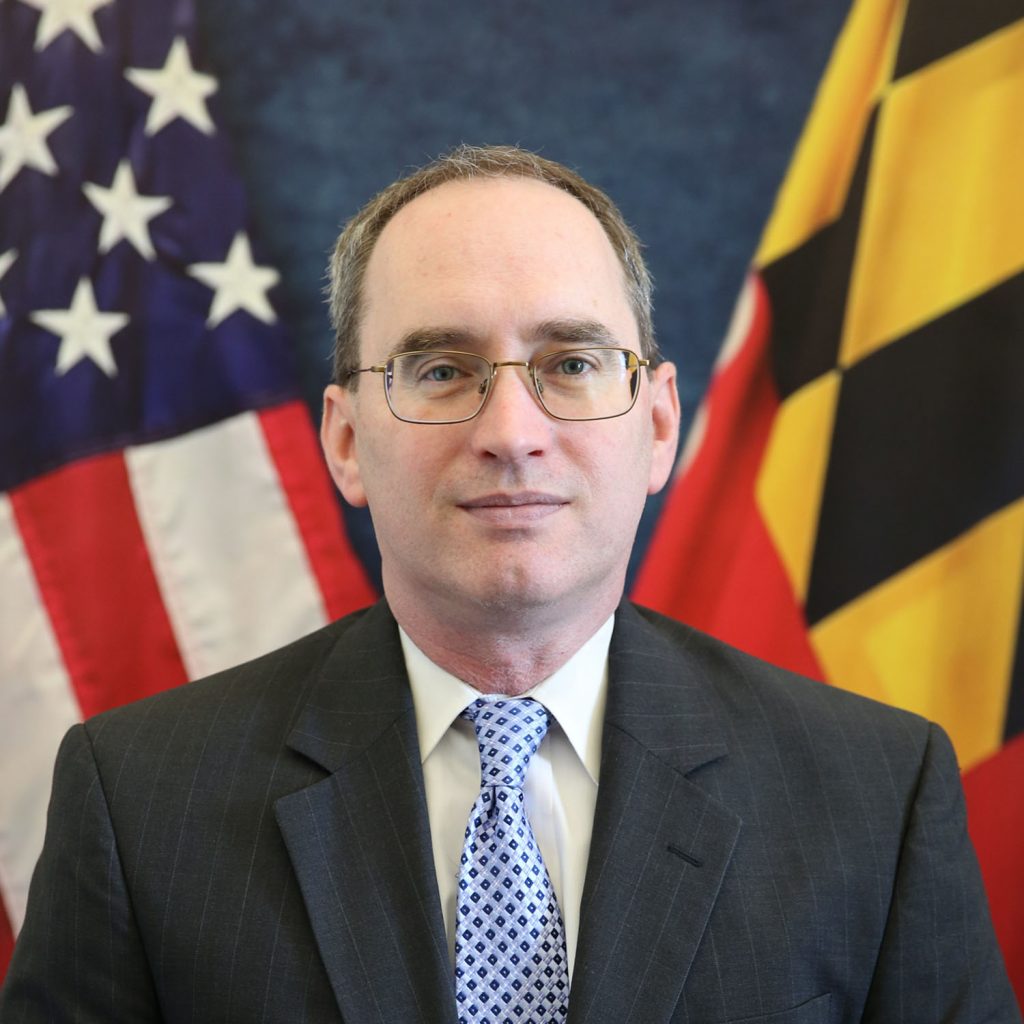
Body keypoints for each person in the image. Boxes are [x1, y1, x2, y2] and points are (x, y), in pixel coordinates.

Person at [2, 145, 1018, 1024]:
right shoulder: (139, 801)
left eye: (570, 363)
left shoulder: (876, 795)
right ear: (346, 442)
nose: (511, 433)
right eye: (441, 369)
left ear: (658, 424)